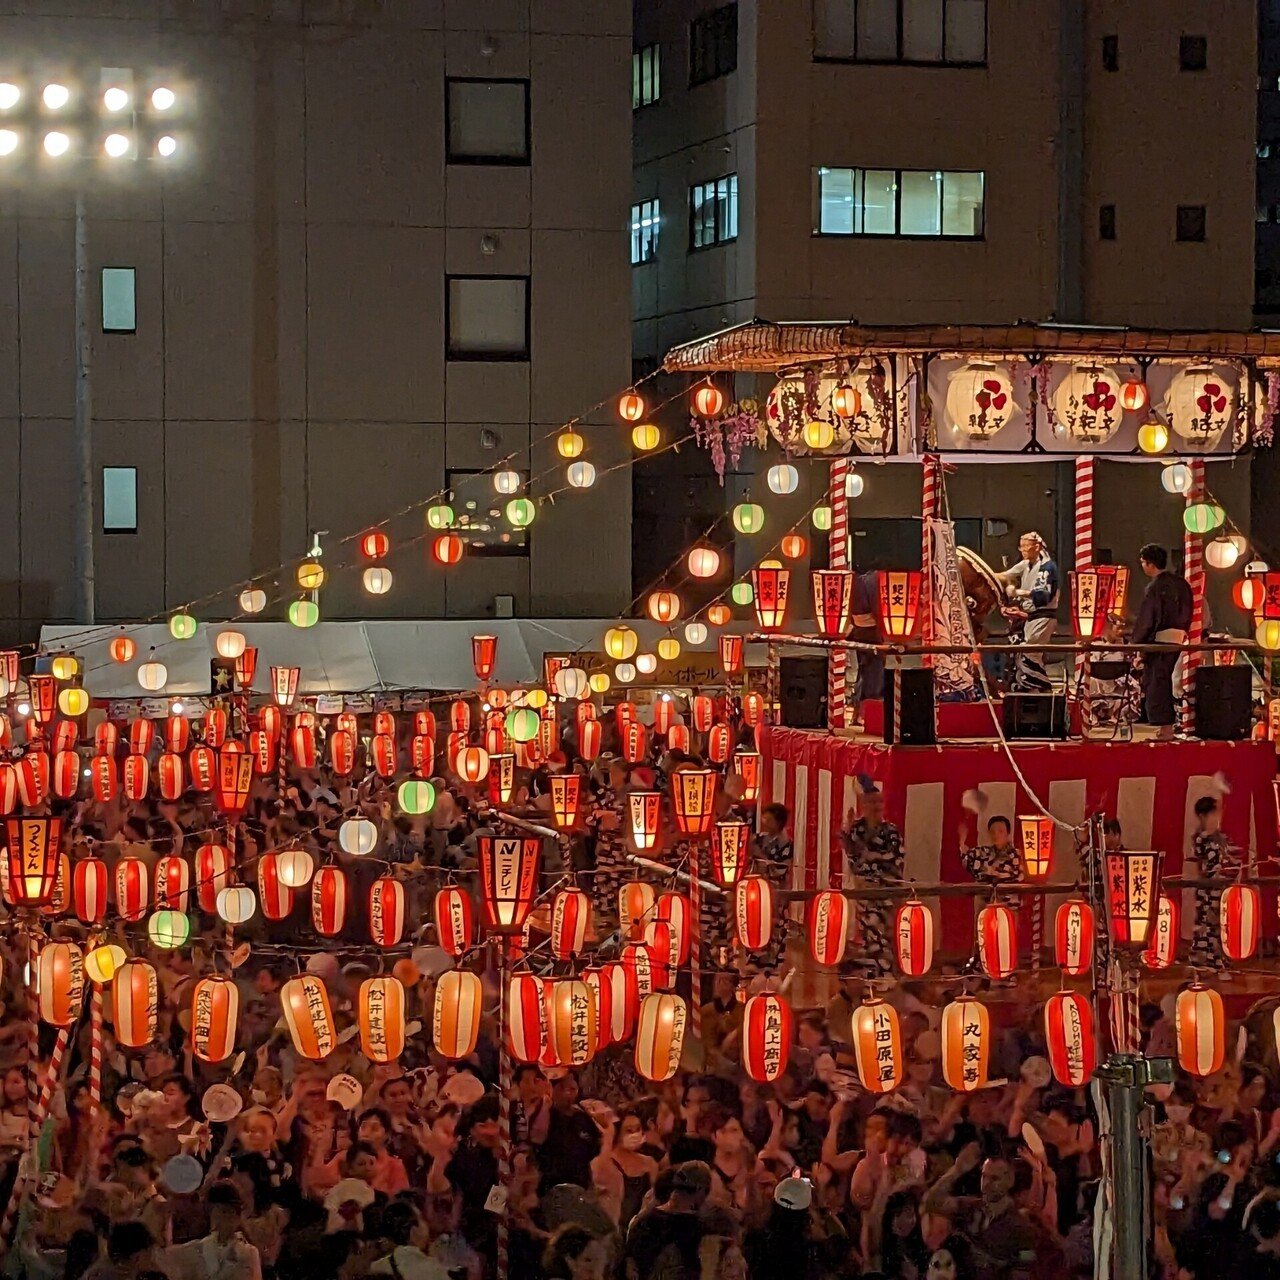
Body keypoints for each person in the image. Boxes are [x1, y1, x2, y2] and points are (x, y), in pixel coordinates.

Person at [843, 784, 905, 978]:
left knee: (883, 932)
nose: (876, 806)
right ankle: (873, 973)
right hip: (864, 888)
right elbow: (852, 855)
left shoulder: (891, 831)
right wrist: (846, 832)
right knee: (869, 931)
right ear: (863, 804)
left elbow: (896, 858)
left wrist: (872, 856)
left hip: (885, 889)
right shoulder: (857, 829)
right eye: (871, 802)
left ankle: (885, 974)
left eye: (879, 801)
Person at [1133, 542, 1193, 739]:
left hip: (1159, 639)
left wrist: (1138, 643)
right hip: (1178, 637)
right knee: (1163, 681)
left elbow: (1148, 618)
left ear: (1150, 564)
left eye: (1143, 562)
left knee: (1157, 683)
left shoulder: (1155, 587)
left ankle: (1166, 727)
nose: (1142, 566)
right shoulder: (1182, 584)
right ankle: (1166, 727)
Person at [997, 532, 1060, 693]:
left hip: (1044, 616)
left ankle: (1041, 688)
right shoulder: (1025, 564)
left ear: (1037, 547)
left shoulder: (1047, 566)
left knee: (1030, 653)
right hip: (1031, 617)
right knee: (1025, 653)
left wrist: (1018, 592)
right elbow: (1005, 575)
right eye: (1021, 546)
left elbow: (1042, 596)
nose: (1022, 550)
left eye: (1026, 546)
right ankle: (1032, 688)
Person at [164, 1181, 263, 1280]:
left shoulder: (248, 1253)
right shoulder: (196, 1250)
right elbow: (167, 1258)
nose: (227, 1217)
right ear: (211, 1213)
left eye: (231, 1212)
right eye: (222, 1211)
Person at [1188, 795, 1234, 972]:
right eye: (1213, 815)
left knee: (1217, 923)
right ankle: (1206, 960)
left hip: (1219, 886)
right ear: (1202, 816)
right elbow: (1204, 864)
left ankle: (1215, 959)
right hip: (1207, 888)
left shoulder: (1216, 837)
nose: (1216, 818)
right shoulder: (1201, 838)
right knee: (1207, 923)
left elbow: (1225, 857)